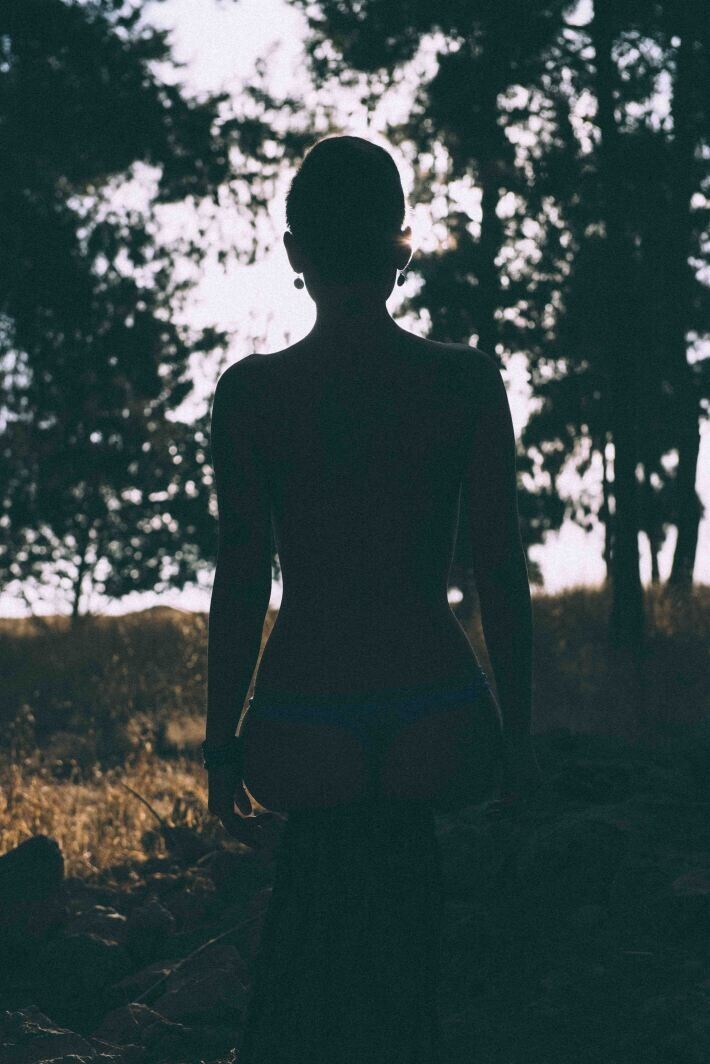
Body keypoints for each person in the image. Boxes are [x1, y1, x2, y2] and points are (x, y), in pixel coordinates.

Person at [202, 135, 542, 1063]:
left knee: (309, 954)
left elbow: (242, 575)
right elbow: (500, 569)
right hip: (439, 716)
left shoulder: (251, 394)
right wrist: (518, 739)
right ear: (402, 244)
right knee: (407, 963)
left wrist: (222, 747)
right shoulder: (464, 381)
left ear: (294, 250)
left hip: (301, 726)